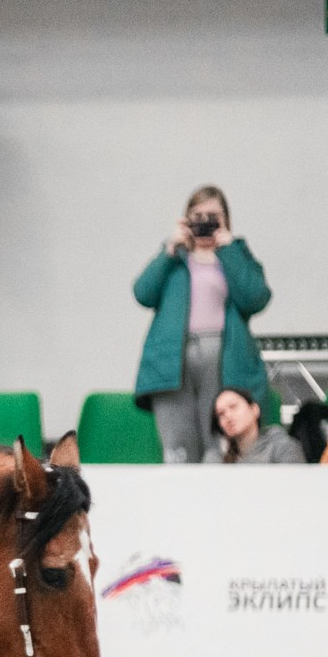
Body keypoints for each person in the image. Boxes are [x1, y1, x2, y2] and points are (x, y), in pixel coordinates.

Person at [132, 186, 273, 464]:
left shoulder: (235, 254)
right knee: (178, 446)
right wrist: (169, 249)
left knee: (219, 442)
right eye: (198, 216)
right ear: (186, 220)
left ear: (226, 220)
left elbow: (256, 297)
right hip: (172, 360)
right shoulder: (173, 258)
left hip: (223, 357)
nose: (205, 223)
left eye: (213, 217)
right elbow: (142, 293)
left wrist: (229, 249)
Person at [205, 387, 303, 464]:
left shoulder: (283, 448)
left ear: (254, 409)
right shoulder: (215, 458)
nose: (228, 416)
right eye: (221, 414)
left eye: (233, 406)